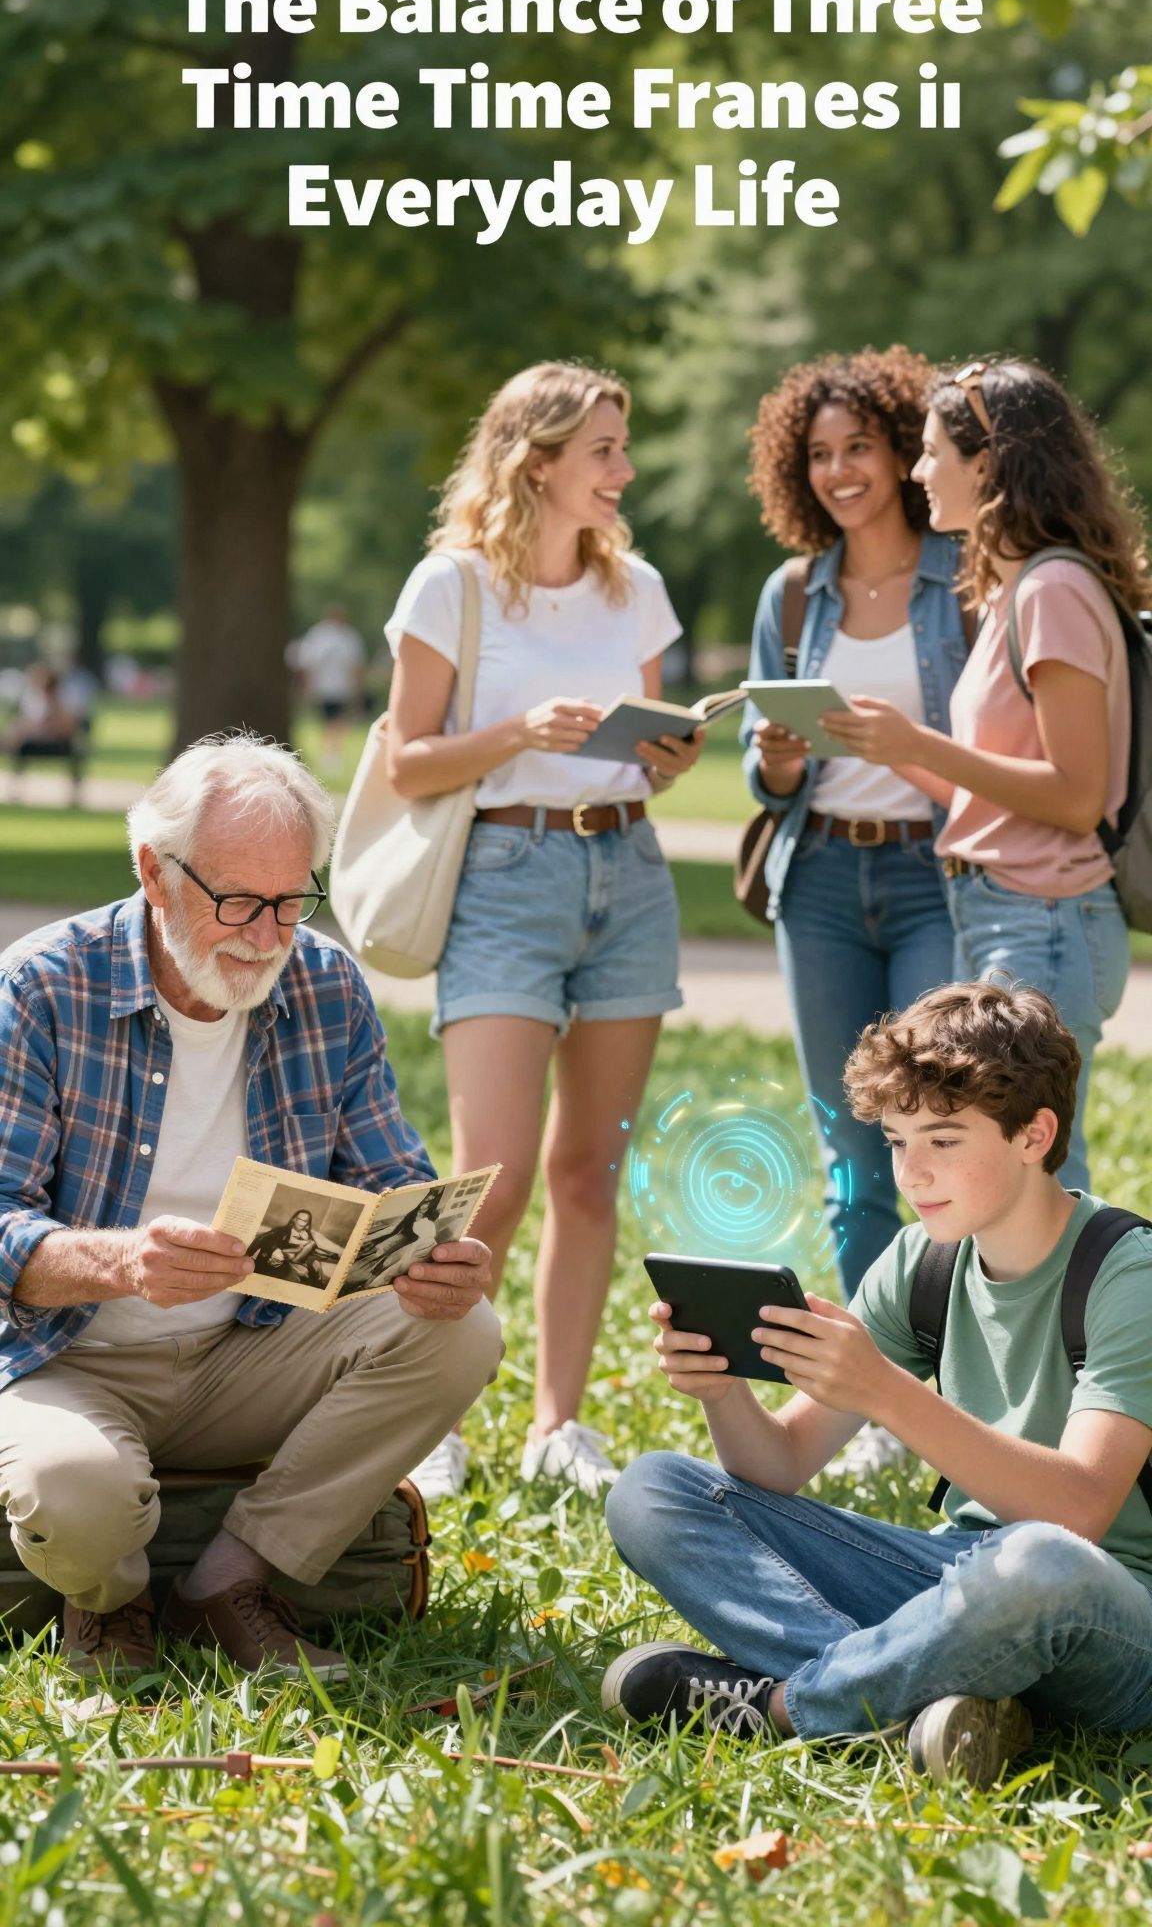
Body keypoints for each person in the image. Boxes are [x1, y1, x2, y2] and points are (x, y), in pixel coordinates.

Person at [0, 733, 501, 1683]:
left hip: (251, 1349)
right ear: (154, 870)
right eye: (239, 901)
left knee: (463, 1331)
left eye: (290, 901)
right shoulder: (42, 985)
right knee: (72, 1492)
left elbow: (396, 1182)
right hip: (69, 1358)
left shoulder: (324, 985)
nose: (268, 936)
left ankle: (231, 1584)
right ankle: (110, 1606)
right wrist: (122, 1263)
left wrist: (439, 1257)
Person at [601, 982, 1152, 1785]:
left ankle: (792, 1707)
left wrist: (888, 1392)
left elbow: (1078, 1514)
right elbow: (781, 1466)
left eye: (944, 1140)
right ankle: (925, 1701)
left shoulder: (1127, 1274)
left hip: (1108, 1610)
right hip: (959, 1579)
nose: (914, 1174)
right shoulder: (921, 1262)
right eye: (896, 1142)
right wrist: (723, 1391)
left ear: (1035, 1135)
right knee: (652, 1492)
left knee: (1038, 1562)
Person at [384, 360, 700, 1498]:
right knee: (494, 1176)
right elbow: (406, 756)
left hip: (627, 865)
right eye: (605, 450)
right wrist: (520, 730)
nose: (624, 469)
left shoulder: (638, 590)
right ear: (540, 461)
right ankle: (430, 1413)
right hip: (503, 875)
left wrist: (668, 754)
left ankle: (557, 1424)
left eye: (623, 447)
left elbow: (656, 761)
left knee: (586, 1171)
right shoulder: (451, 584)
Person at [821, 359, 1146, 1192]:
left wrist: (922, 746)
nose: (919, 471)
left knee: (1032, 1188)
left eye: (933, 453)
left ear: (990, 462)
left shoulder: (1054, 589)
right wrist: (893, 748)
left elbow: (1075, 793)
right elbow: (1003, 793)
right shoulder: (1015, 591)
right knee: (1010, 1187)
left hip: (1045, 918)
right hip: (1004, 910)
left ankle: (1096, 1325)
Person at [742, 347, 970, 1476]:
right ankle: (871, 1403)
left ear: (900, 452)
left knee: (937, 1127)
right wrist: (781, 758)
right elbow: (761, 779)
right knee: (851, 1147)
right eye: (820, 454)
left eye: (861, 449)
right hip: (822, 880)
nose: (841, 471)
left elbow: (993, 750)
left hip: (937, 872)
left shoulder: (966, 576)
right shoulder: (793, 595)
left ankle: (953, 1388)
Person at [292, 605, 366, 774]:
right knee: (329, 722)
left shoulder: (347, 636)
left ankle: (332, 754)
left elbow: (355, 666)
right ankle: (330, 754)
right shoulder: (320, 636)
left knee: (336, 722)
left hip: (340, 688)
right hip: (325, 688)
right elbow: (308, 665)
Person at [3, 665, 84, 802]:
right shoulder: (35, 701)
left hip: (58, 744)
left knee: (19, 735)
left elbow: (66, 728)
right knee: (18, 733)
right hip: (34, 742)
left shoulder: (64, 701)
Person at [250, 1209, 342, 1288]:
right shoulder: (283, 1231)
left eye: (305, 1221)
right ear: (294, 1219)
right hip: (281, 1257)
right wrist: (250, 1254)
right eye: (300, 1220)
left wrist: (331, 1255)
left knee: (316, 1263)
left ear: (307, 1224)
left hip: (296, 1257)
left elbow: (314, 1250)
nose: (302, 1223)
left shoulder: (306, 1235)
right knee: (303, 1270)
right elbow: (264, 1239)